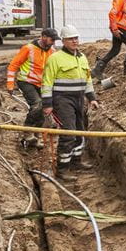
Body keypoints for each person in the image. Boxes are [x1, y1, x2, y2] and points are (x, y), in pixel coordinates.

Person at [41, 25, 99, 171]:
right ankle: (63, 168)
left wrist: (92, 98)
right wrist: (47, 104)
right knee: (68, 132)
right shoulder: (55, 59)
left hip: (79, 99)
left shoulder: (82, 57)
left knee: (80, 131)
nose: (74, 41)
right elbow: (47, 83)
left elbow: (87, 80)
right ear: (63, 41)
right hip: (62, 100)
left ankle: (76, 161)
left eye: (76, 38)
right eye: (70, 39)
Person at [7, 28, 58, 150]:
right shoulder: (28, 49)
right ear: (43, 37)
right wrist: (10, 84)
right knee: (37, 104)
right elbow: (13, 65)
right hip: (26, 82)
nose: (53, 42)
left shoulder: (52, 51)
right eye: (52, 39)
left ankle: (35, 136)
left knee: (42, 108)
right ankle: (27, 130)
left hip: (43, 84)